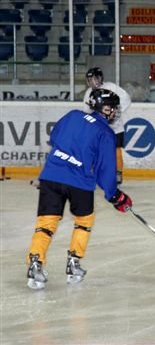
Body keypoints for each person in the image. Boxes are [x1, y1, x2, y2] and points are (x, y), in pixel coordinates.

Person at [26, 89, 133, 290]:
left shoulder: (72, 115)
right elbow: (106, 169)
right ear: (105, 108)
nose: (115, 112)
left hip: (51, 176)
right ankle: (74, 263)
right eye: (113, 107)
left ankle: (35, 263)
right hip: (80, 182)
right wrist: (114, 195)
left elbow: (55, 138)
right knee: (84, 220)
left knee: (46, 223)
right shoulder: (105, 133)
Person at [83, 67, 132, 185]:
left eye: (94, 78)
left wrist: (116, 113)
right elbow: (86, 110)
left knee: (116, 150)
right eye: (90, 79)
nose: (92, 82)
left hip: (115, 127)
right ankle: (97, 172)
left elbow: (126, 99)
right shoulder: (89, 93)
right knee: (96, 150)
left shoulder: (111, 87)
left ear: (100, 78)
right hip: (98, 129)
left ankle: (118, 173)